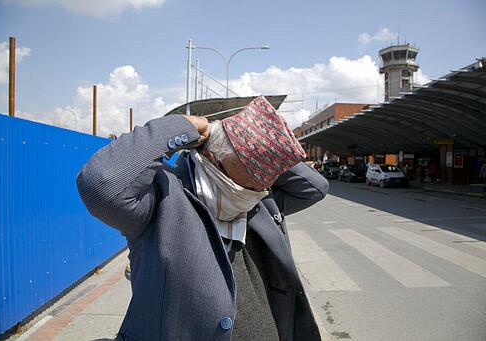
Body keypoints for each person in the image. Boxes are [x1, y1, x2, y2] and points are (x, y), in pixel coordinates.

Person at [76, 95, 328, 340]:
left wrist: (265, 143)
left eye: (262, 184)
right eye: (249, 179)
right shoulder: (161, 197)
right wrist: (183, 128)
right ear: (210, 158)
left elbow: (314, 187)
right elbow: (100, 184)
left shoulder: (259, 200)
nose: (255, 192)